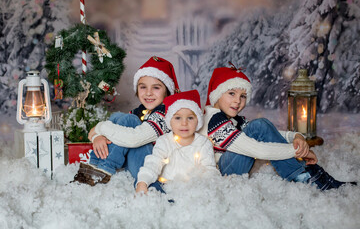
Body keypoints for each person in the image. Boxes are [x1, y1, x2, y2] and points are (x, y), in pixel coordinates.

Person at [199, 65, 356, 190]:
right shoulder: (214, 119)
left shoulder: (235, 119)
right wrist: (298, 151)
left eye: (243, 96)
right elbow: (256, 149)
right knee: (258, 125)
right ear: (217, 95)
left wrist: (294, 136)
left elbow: (268, 133)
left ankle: (305, 173)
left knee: (260, 125)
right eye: (231, 93)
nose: (238, 101)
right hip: (224, 171)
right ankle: (304, 175)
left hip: (236, 162)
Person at [73, 56, 180, 186]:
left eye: (156, 88)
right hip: (135, 162)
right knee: (118, 117)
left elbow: (134, 139)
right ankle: (94, 167)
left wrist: (101, 127)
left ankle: (103, 168)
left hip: (154, 169)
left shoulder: (167, 114)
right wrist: (98, 136)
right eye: (143, 87)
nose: (148, 93)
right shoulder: (139, 111)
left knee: (128, 120)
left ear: (167, 91)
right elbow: (93, 133)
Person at [136, 90, 217, 194]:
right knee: (153, 188)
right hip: (166, 185)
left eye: (190, 118)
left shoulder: (203, 143)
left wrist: (205, 187)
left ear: (198, 120)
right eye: (178, 118)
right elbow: (153, 163)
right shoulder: (164, 141)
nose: (184, 123)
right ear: (170, 121)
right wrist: (143, 182)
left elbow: (209, 170)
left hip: (192, 189)